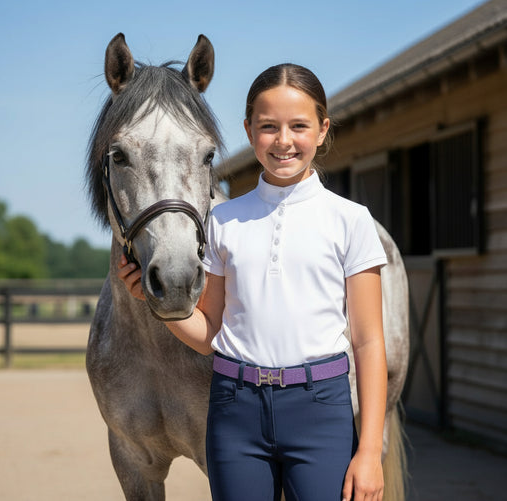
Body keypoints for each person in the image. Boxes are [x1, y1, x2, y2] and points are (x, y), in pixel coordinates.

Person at [118, 63, 387, 501]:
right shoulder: (221, 220)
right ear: (248, 131)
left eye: (299, 126)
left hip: (321, 409)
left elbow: (369, 342)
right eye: (268, 127)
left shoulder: (351, 221)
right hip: (234, 409)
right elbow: (211, 335)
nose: (284, 140)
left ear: (322, 130)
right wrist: (153, 302)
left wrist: (371, 450)